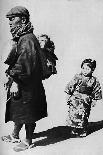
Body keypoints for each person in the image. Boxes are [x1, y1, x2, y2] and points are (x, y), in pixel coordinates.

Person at [1, 6, 47, 152]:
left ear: (23, 19)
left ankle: (28, 140)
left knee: (28, 112)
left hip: (27, 85)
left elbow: (25, 64)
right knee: (17, 109)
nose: (10, 22)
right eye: (9, 20)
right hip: (22, 83)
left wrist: (14, 80)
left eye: (13, 19)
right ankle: (15, 135)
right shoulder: (22, 37)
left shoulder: (27, 39)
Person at [65, 58, 102, 137]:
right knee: (73, 114)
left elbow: (97, 90)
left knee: (84, 115)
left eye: (88, 69)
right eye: (83, 68)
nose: (85, 70)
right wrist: (68, 95)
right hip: (75, 99)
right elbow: (71, 86)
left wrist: (95, 99)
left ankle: (83, 129)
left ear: (92, 70)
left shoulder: (94, 80)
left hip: (85, 100)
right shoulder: (77, 77)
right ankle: (74, 128)